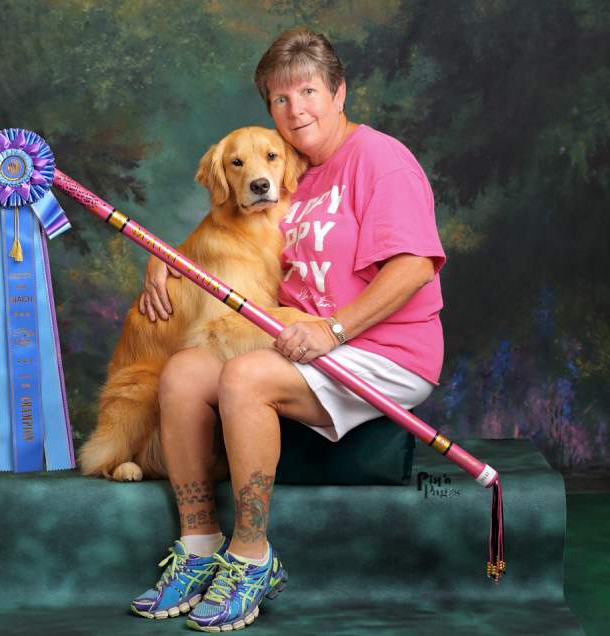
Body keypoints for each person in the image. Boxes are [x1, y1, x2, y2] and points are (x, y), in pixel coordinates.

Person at [130, 27, 446, 632]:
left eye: (307, 91)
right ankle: (199, 545)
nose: (295, 109)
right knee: (184, 371)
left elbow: (413, 266)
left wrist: (335, 328)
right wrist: (162, 257)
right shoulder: (291, 166)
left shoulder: (380, 159)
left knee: (244, 377)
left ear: (339, 92)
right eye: (279, 98)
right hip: (301, 342)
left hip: (381, 348)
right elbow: (222, 236)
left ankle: (251, 557)